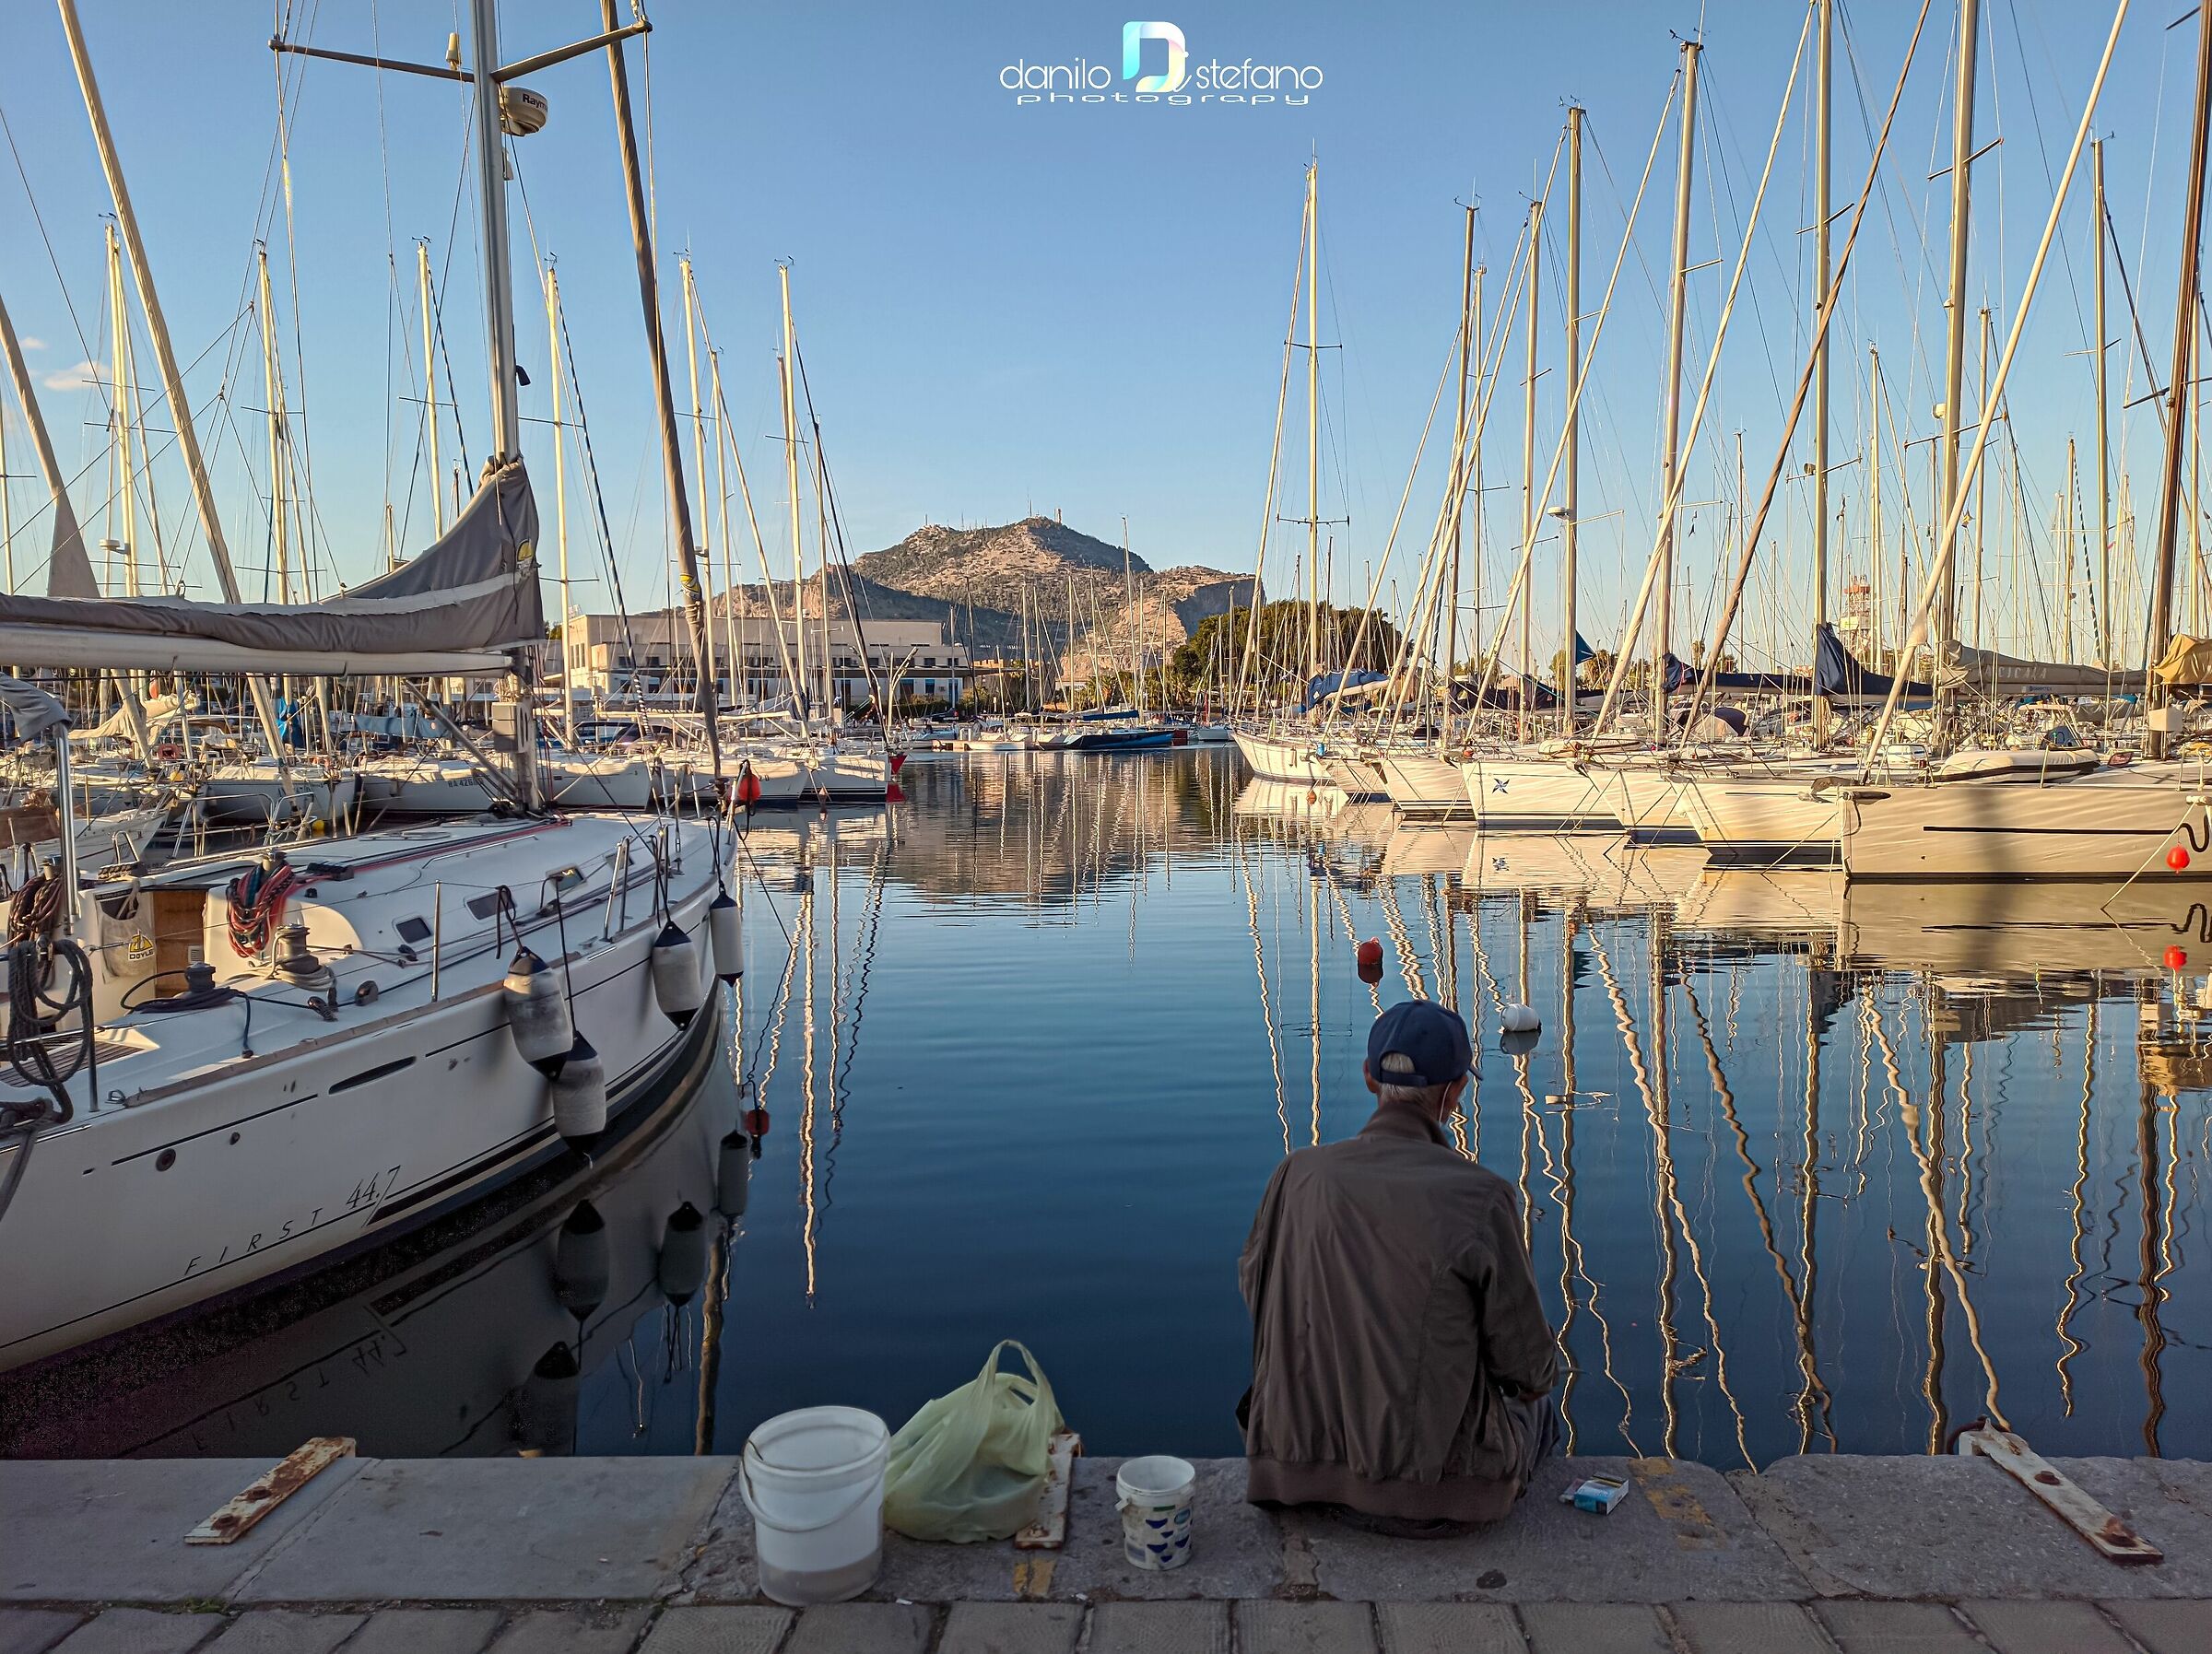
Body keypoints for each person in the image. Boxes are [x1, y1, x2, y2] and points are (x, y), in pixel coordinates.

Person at [1238, 998, 1560, 1535]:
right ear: (1455, 1091)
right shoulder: (1481, 1197)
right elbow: (1528, 1371)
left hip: (1291, 1480)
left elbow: (1257, 1289)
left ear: (1370, 1078)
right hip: (1435, 1498)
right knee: (1540, 1410)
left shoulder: (1295, 1175)